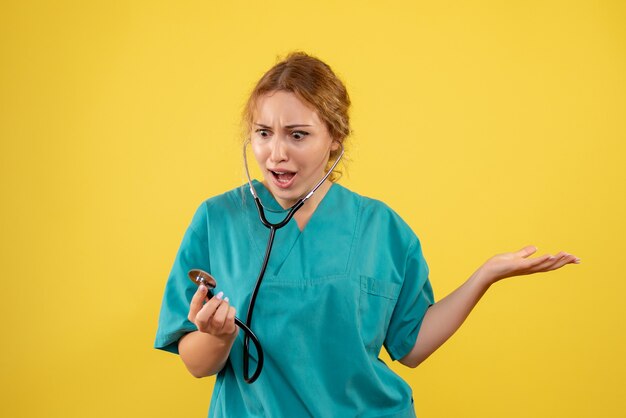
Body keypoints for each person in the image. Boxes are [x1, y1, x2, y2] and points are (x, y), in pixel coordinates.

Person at [154, 51, 579, 418]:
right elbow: (196, 364)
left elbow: (411, 347)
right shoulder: (217, 220)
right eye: (264, 133)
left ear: (335, 140)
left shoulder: (381, 227)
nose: (276, 153)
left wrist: (486, 274)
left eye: (298, 135)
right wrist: (217, 337)